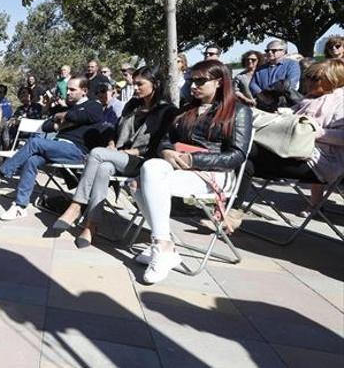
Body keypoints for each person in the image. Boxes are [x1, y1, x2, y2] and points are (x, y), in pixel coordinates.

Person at [132, 60, 252, 284]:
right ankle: (164, 244)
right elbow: (166, 141)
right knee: (138, 180)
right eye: (191, 80)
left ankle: (161, 246)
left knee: (147, 176)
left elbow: (236, 155)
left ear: (218, 82)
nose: (194, 85)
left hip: (214, 173)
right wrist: (167, 152)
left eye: (200, 81)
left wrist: (194, 159)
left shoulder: (238, 110)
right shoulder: (187, 109)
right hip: (181, 169)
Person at [51, 66, 176, 248]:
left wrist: (132, 152)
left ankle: (77, 204)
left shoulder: (168, 111)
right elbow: (116, 130)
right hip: (118, 155)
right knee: (102, 168)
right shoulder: (133, 105)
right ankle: (90, 226)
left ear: (155, 84)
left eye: (140, 84)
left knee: (96, 153)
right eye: (134, 84)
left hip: (144, 161)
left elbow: (162, 145)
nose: (135, 88)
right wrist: (111, 143)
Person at [0, 77, 105, 221]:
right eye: (67, 89)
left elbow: (84, 116)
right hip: (57, 146)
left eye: (72, 89)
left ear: (84, 91)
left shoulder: (94, 105)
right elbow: (46, 126)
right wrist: (59, 120)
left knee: (35, 142)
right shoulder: (69, 106)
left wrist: (64, 117)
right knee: (32, 161)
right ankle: (20, 207)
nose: (68, 92)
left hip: (77, 150)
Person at [236, 59, 344, 222]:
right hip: (294, 151)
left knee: (245, 152)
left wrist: (314, 131)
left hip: (318, 163)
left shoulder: (340, 102)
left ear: (332, 80)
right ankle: (230, 211)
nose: (308, 82)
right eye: (308, 77)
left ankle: (229, 211)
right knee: (245, 155)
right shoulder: (311, 99)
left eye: (315, 78)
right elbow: (294, 116)